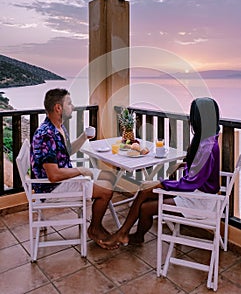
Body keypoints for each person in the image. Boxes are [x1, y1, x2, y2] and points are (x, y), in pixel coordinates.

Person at [100, 97, 220, 249]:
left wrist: (165, 184)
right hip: (195, 191)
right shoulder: (207, 139)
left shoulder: (207, 147)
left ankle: (128, 235)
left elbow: (193, 182)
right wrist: (185, 165)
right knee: (145, 189)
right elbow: (200, 172)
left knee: (145, 203)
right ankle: (127, 234)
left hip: (198, 199)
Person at [30, 88, 117, 249]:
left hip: (64, 179)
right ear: (58, 108)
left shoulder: (58, 127)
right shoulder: (47, 135)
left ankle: (95, 220)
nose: (73, 107)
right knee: (106, 190)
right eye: (69, 103)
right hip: (52, 189)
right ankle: (94, 229)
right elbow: (54, 175)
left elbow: (67, 151)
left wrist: (84, 136)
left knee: (109, 177)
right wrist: (83, 171)